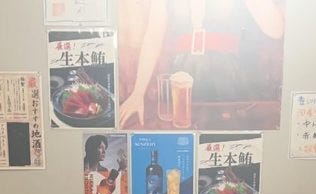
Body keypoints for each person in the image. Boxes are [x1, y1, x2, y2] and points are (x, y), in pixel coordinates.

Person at [119, 0, 285, 128]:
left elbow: (276, 30)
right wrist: (138, 93)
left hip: (229, 81)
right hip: (183, 81)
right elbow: (153, 37)